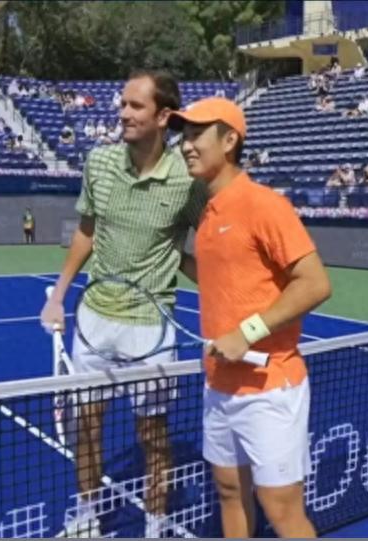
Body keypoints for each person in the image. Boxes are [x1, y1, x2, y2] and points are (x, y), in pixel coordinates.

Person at [39, 69, 207, 539]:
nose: (124, 113)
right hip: (94, 321)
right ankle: (87, 515)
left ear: (164, 116)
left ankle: (156, 523)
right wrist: (58, 296)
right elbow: (86, 232)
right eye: (123, 104)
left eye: (135, 106)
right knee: (87, 427)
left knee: (152, 436)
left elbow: (211, 247)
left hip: (151, 328)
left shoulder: (187, 180)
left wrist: (224, 290)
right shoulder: (99, 162)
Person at [167, 97, 330, 538]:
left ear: (230, 141)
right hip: (219, 385)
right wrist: (172, 258)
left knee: (281, 508)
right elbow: (221, 280)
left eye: (197, 134)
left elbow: (315, 283)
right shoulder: (208, 214)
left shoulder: (264, 204)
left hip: (269, 387)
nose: (186, 145)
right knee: (228, 492)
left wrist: (247, 332)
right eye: (184, 137)